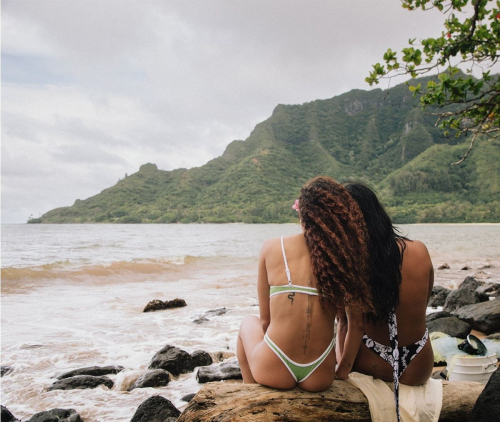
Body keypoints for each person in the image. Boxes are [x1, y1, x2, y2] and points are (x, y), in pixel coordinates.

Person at [237, 176, 375, 392]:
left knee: (248, 322)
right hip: (321, 374)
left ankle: (250, 391)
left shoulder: (272, 247)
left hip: (273, 366)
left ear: (302, 212)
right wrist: (342, 372)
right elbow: (356, 325)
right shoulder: (344, 259)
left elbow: (265, 322)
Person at [337, 182, 434, 420]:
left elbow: (354, 326)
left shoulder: (353, 263)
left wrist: (340, 374)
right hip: (419, 364)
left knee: (343, 321)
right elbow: (424, 301)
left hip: (375, 362)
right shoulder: (420, 250)